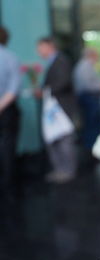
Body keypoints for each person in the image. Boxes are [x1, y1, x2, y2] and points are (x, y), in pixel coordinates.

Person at [37, 37, 76, 183]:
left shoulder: (61, 60)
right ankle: (61, 169)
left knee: (64, 139)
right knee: (56, 139)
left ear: (49, 46)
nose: (39, 51)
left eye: (40, 47)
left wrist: (45, 91)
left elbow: (63, 82)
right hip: (55, 107)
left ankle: (67, 170)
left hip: (61, 107)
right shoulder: (54, 61)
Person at [73, 48, 100, 164]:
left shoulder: (86, 66)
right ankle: (88, 154)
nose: (98, 58)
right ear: (91, 55)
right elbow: (88, 86)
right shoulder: (84, 67)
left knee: (93, 125)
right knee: (91, 126)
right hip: (89, 99)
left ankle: (90, 152)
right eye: (97, 55)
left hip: (90, 99)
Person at [0, 27, 21, 207]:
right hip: (6, 109)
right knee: (8, 145)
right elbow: (13, 89)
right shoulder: (10, 57)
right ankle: (8, 183)